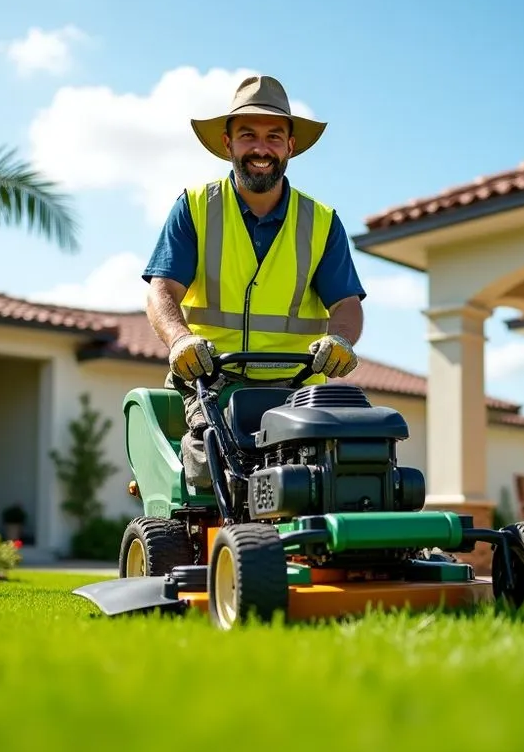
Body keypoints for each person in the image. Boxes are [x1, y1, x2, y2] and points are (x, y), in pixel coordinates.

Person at [142, 74, 366, 489]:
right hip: (213, 382)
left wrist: (342, 340)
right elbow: (162, 290)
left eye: (274, 137)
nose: (261, 148)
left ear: (290, 147)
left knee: (338, 468)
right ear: (228, 143)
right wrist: (179, 340)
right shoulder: (194, 208)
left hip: (299, 386)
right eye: (248, 135)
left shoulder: (321, 222)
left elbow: (346, 304)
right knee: (215, 466)